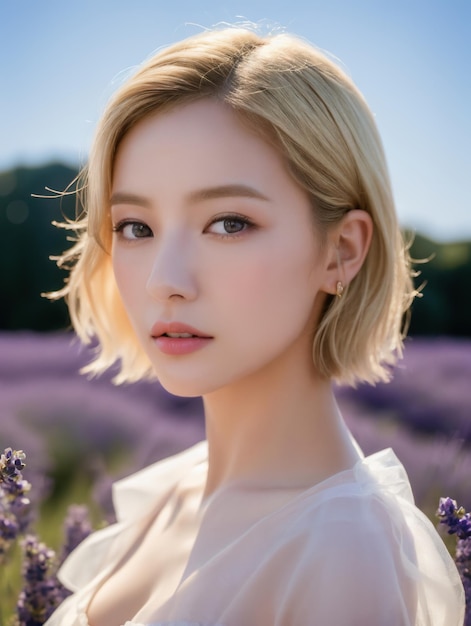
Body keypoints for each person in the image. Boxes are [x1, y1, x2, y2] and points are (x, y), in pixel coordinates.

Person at [44, 26, 464, 626]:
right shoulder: (171, 491)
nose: (166, 279)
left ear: (341, 250)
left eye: (229, 223)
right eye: (136, 227)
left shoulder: (340, 554)